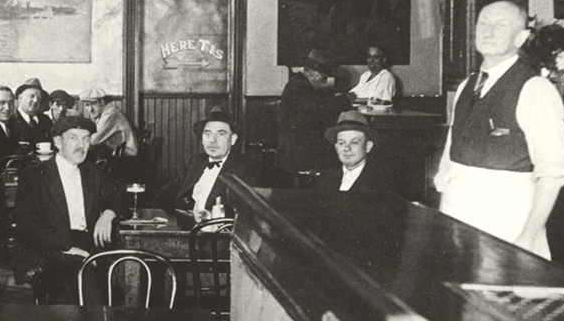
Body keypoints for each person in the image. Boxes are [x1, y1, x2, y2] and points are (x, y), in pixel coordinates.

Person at [435, 1, 564, 258]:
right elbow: (452, 148)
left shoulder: (535, 89)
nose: (489, 31)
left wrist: (529, 236)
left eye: (501, 25)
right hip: (457, 215)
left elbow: (552, 172)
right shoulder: (466, 85)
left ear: (520, 37)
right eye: (483, 24)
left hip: (508, 224)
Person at [13, 113, 127, 304]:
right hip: (44, 252)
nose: (81, 146)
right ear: (58, 142)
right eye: (73, 138)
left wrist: (108, 214)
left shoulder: (92, 172)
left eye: (86, 139)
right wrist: (68, 248)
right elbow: (29, 228)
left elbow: (119, 193)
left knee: (117, 278)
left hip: (86, 244)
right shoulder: (34, 176)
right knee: (82, 274)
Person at [153, 117, 261, 218]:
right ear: (202, 139)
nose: (212, 140)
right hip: (186, 227)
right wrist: (165, 217)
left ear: (233, 139)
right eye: (207, 134)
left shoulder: (244, 167)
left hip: (218, 232)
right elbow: (166, 193)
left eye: (221, 134)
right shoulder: (195, 161)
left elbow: (246, 210)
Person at [276, 49, 350, 185]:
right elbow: (319, 108)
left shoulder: (300, 84)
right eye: (323, 78)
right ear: (313, 73)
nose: (324, 82)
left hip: (297, 147)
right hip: (297, 152)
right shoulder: (298, 87)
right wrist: (345, 99)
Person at [319, 112, 394, 194]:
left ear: (368, 147)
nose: (347, 148)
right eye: (341, 143)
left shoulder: (382, 182)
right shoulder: (326, 177)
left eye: (354, 143)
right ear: (336, 147)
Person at [81, 86, 140, 169]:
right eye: (87, 105)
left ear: (102, 102)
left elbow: (93, 142)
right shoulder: (106, 112)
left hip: (126, 159)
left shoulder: (110, 114)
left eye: (93, 104)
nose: (90, 109)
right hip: (120, 156)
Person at [13, 79, 51, 146]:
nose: (36, 101)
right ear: (20, 98)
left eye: (39, 98)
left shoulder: (46, 120)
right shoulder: (10, 120)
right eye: (32, 96)